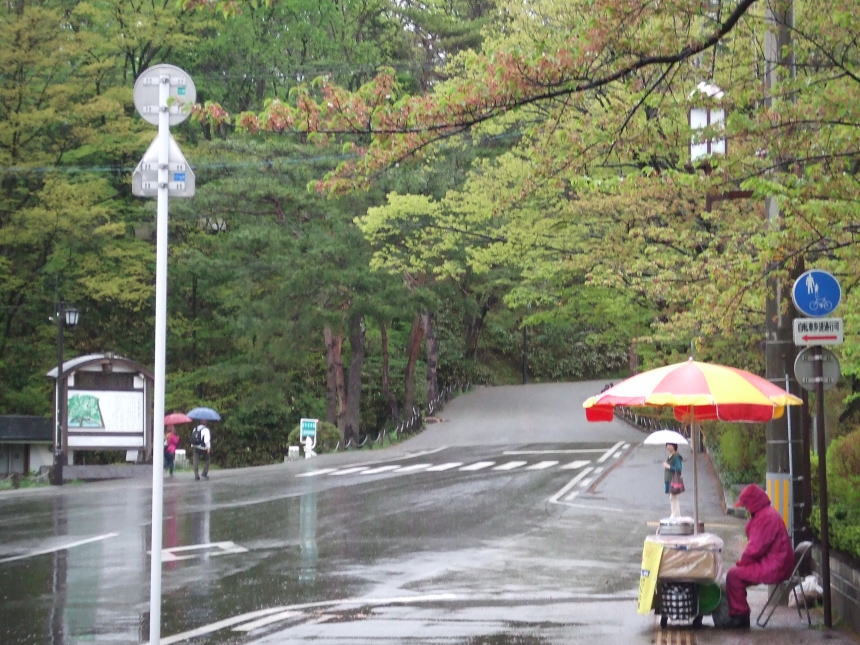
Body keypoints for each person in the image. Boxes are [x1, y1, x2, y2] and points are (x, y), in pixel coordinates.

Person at [724, 483, 795, 629]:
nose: (745, 509)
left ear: (752, 503)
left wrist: (740, 564)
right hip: (777, 562)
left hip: (775, 566)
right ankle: (740, 614)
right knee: (736, 574)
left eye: (746, 505)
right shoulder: (766, 513)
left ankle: (740, 617)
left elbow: (755, 548)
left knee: (733, 575)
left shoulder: (765, 518)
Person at [663, 442, 684, 518]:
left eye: (670, 445)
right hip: (669, 479)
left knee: (673, 497)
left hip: (673, 480)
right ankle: (676, 514)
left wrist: (668, 466)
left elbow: (679, 469)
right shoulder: (670, 456)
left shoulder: (676, 457)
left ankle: (674, 514)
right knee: (672, 497)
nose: (668, 447)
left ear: (674, 446)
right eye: (667, 445)